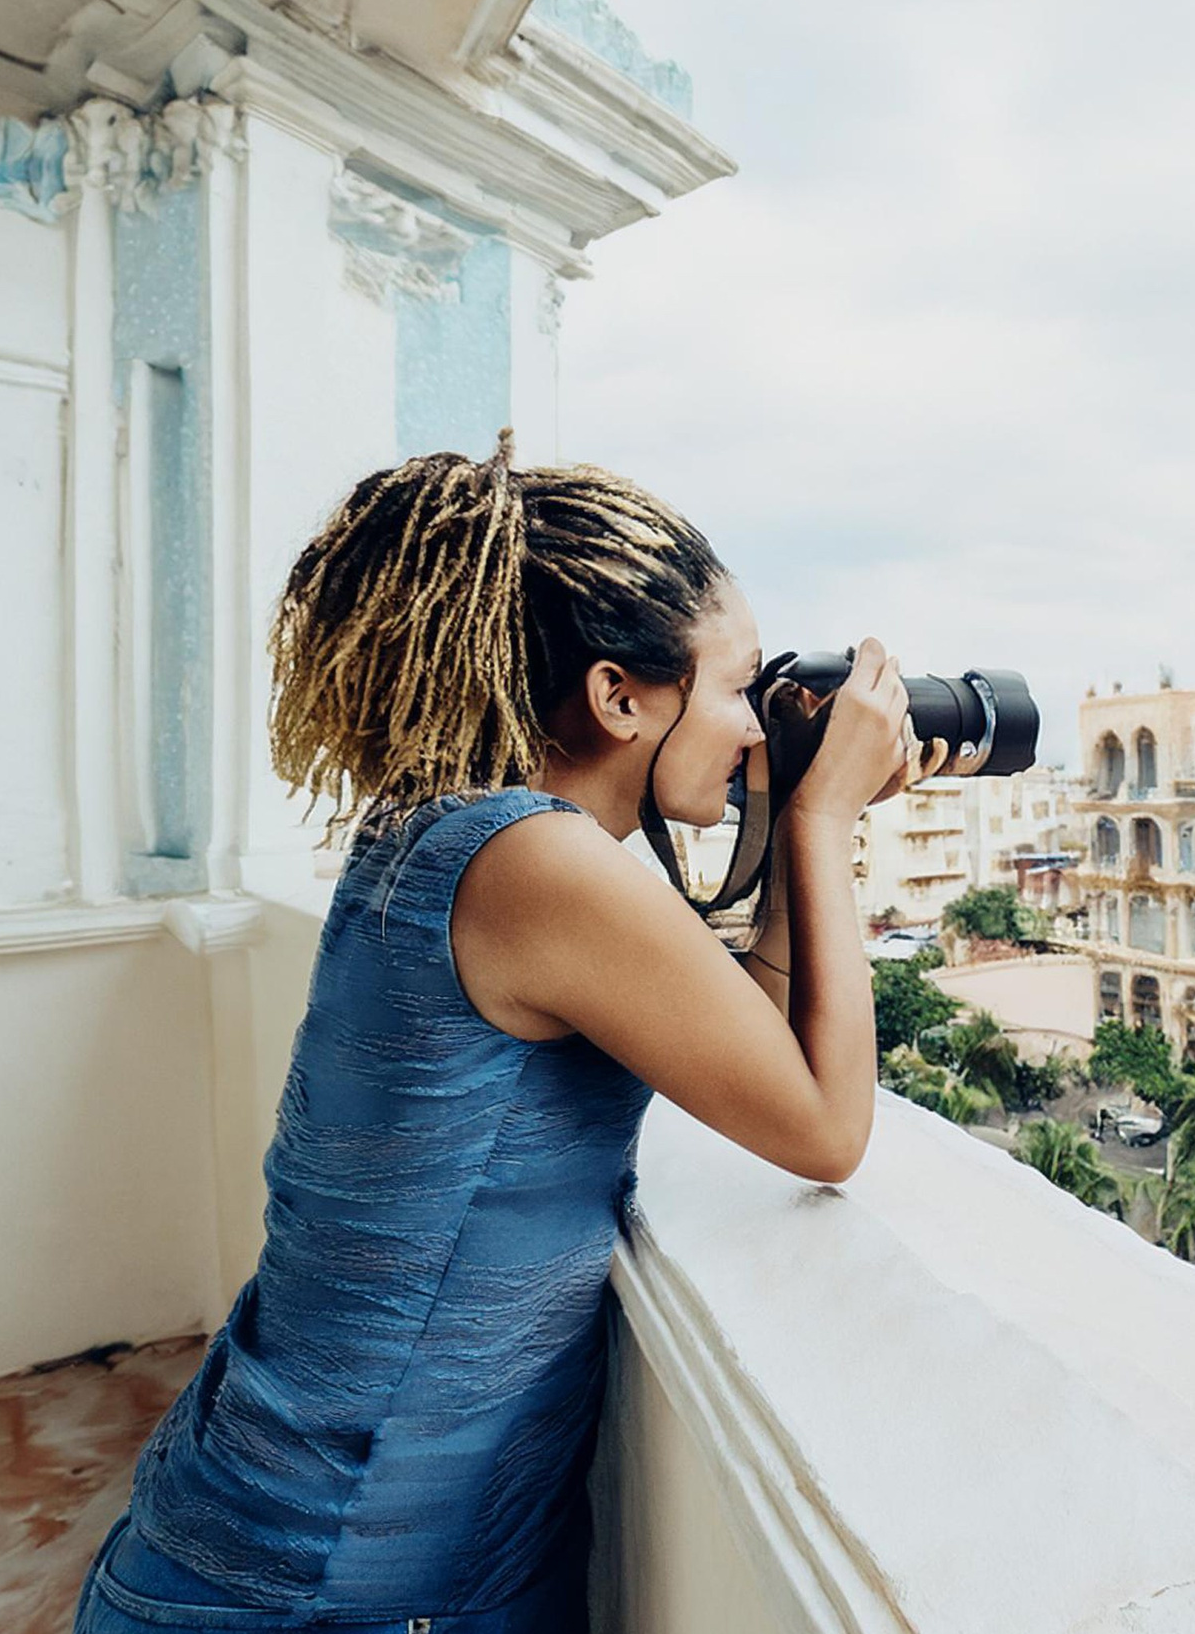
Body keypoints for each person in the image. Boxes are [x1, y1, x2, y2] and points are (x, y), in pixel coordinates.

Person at [74, 436, 942, 1633]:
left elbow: (744, 1034)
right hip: (333, 1575)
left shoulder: (448, 827)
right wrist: (826, 811)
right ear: (616, 695)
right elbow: (823, 1125)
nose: (753, 725)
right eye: (738, 687)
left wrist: (798, 816)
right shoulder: (535, 861)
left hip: (301, 1521)